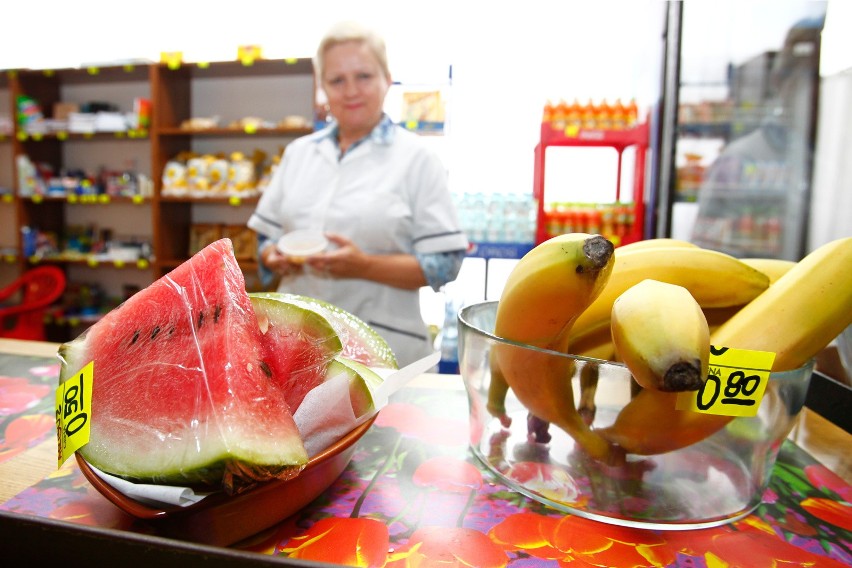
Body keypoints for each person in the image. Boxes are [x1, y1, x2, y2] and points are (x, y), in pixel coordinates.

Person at [247, 20, 469, 366]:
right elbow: (265, 239)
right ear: (323, 87)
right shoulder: (299, 153)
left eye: (364, 76)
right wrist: (272, 256)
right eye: (337, 80)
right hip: (293, 343)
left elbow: (445, 264)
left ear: (386, 79)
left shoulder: (418, 158)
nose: (350, 91)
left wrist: (363, 266)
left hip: (382, 346)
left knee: (380, 420)